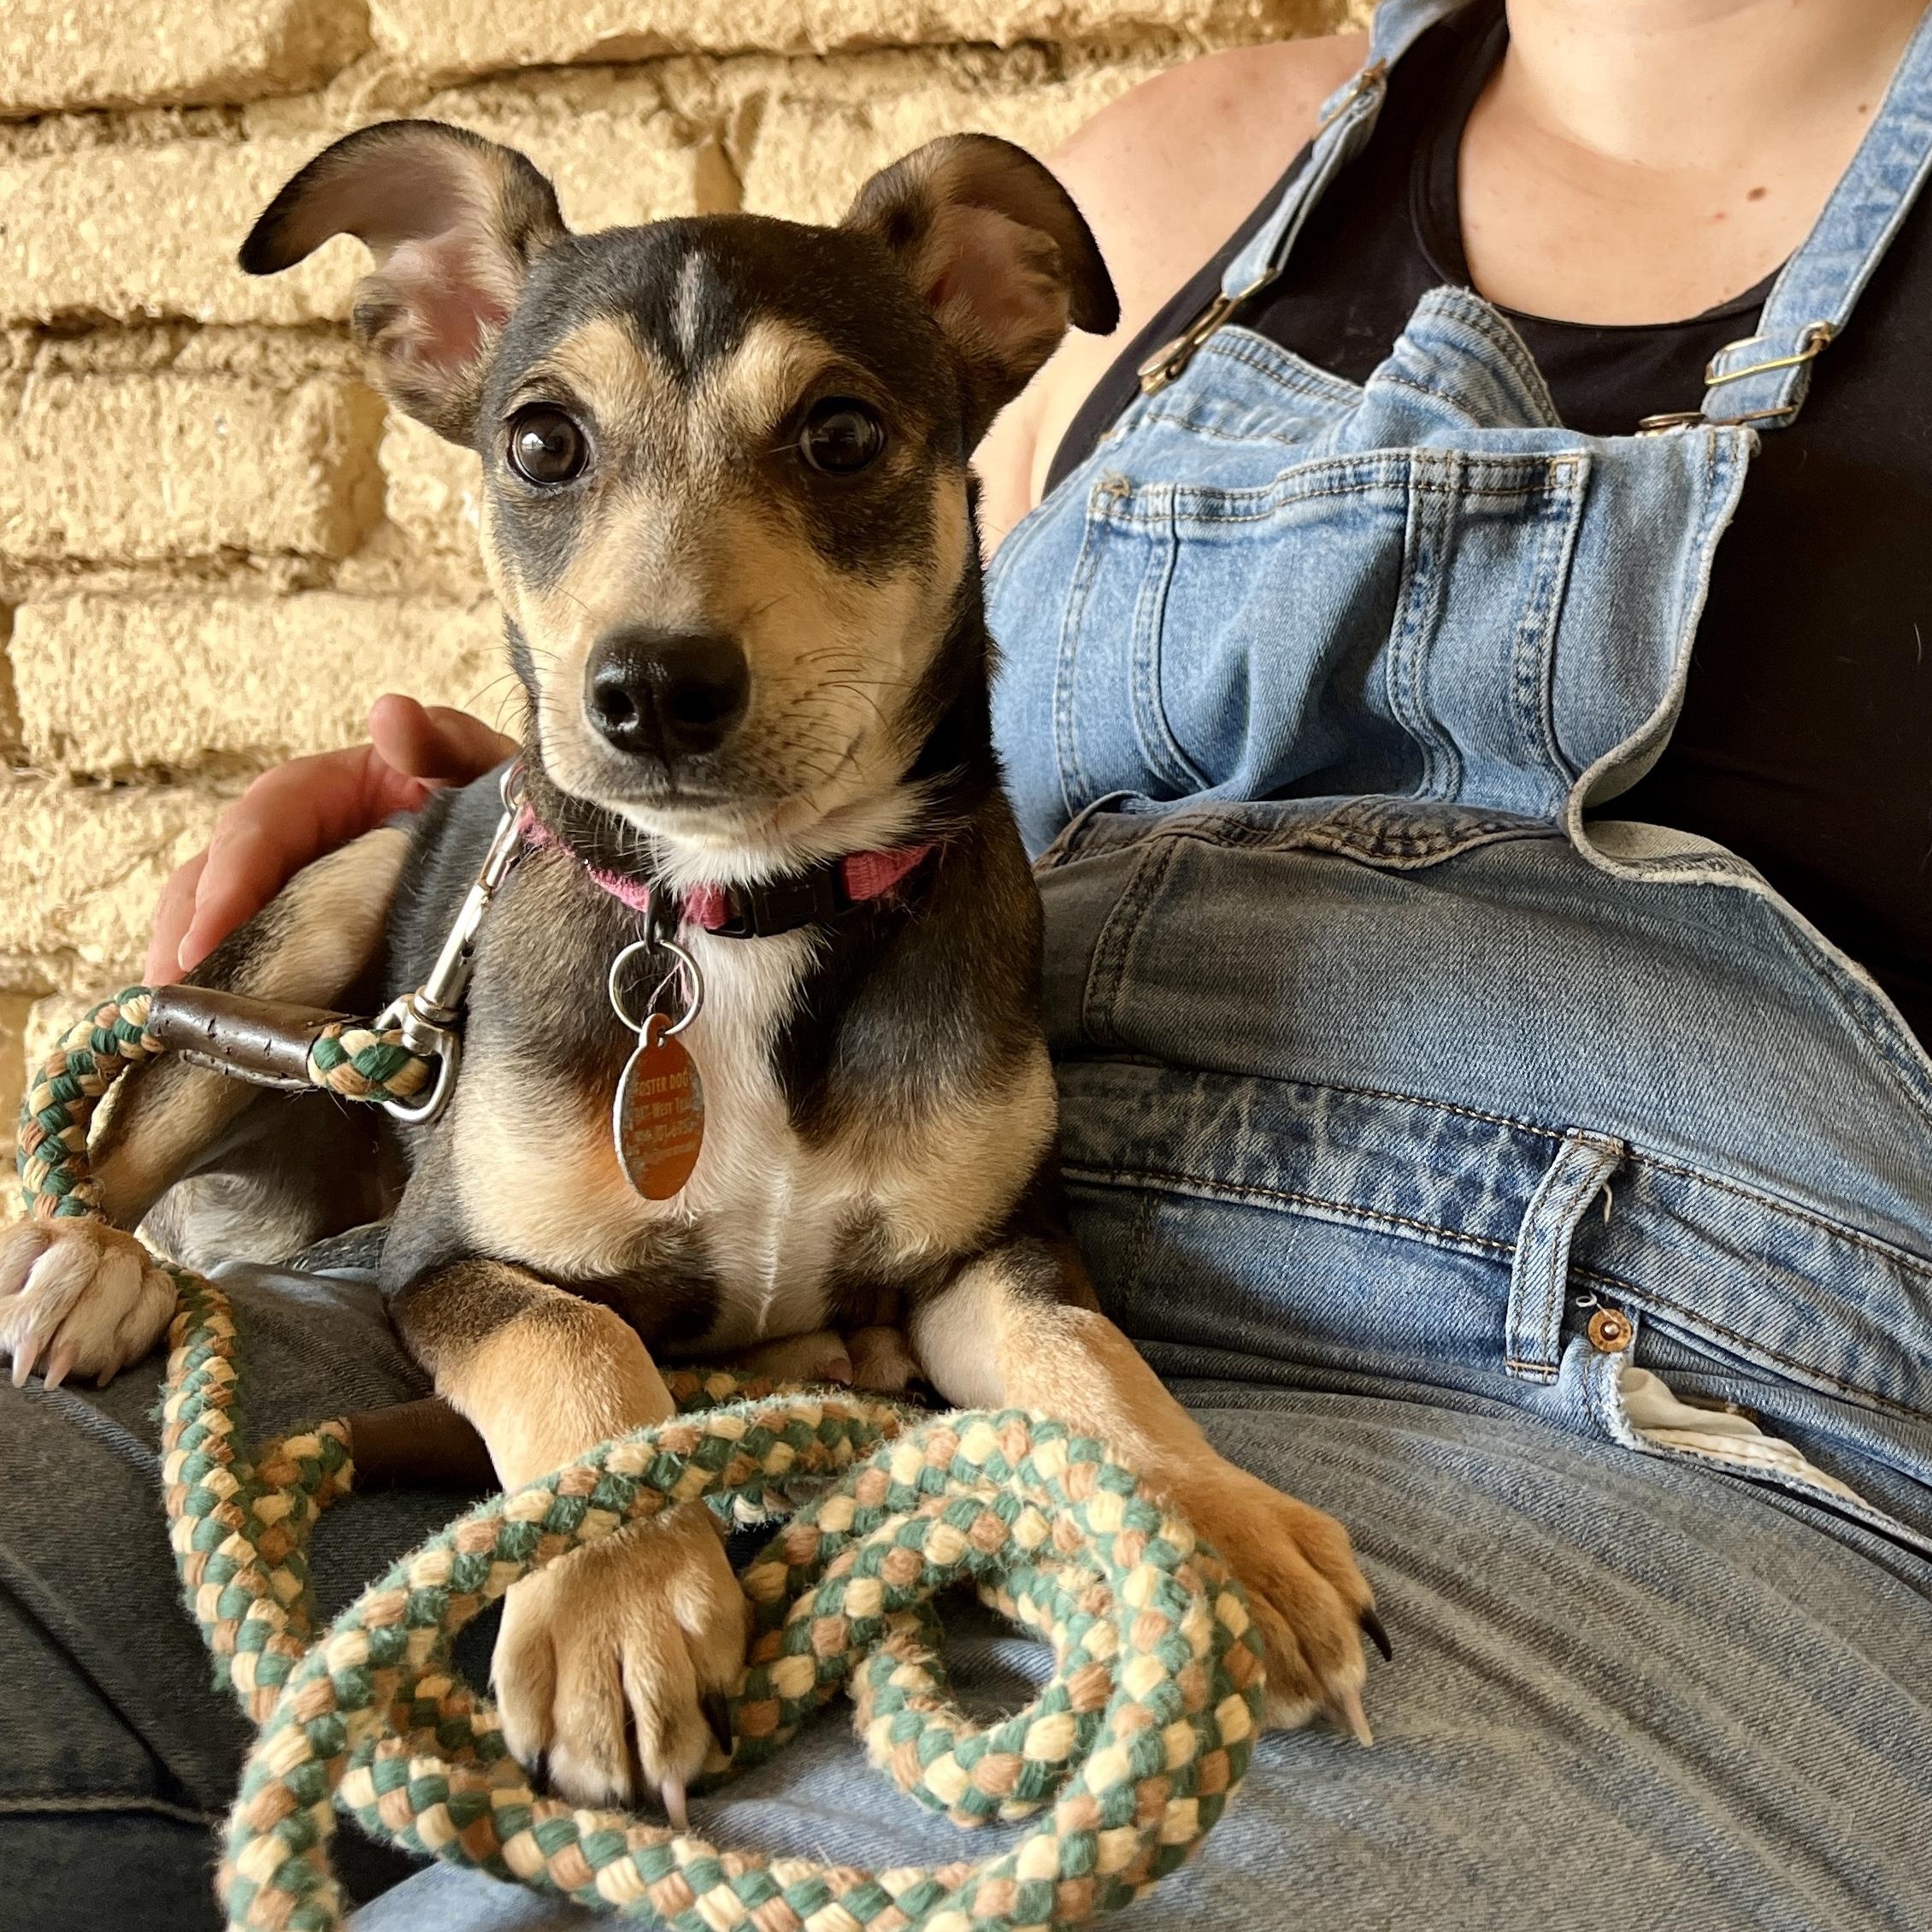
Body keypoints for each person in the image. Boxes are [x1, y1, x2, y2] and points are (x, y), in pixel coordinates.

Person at [9, 2, 1932, 1926]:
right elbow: (875, 721)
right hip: (907, 1225)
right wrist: (576, 847)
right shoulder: (1171, 174)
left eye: (832, 435)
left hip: (1619, 1396)